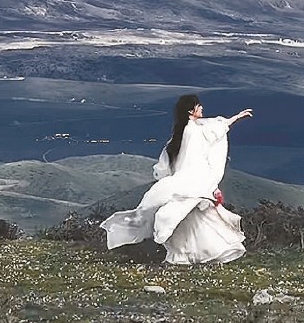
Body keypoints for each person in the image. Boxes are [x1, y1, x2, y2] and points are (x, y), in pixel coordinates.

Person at [99, 94, 253, 265]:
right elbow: (214, 131)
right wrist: (235, 119)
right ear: (190, 110)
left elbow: (170, 161)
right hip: (192, 180)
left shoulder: (181, 132)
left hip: (183, 180)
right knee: (197, 217)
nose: (201, 108)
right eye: (198, 105)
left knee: (193, 217)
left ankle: (184, 255)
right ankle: (193, 254)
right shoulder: (193, 131)